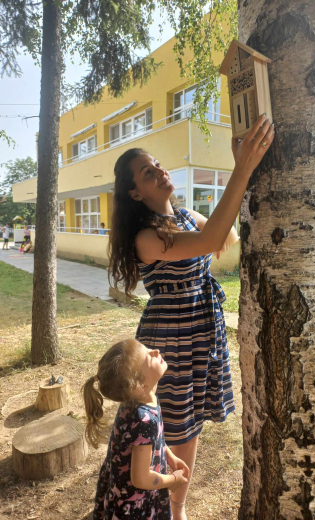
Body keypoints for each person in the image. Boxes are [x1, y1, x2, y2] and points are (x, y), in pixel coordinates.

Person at [109, 114, 274, 519]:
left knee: (192, 423)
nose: (160, 171)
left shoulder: (183, 217)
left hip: (202, 327)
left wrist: (240, 176)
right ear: (134, 192)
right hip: (172, 335)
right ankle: (168, 506)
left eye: (158, 165)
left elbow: (227, 237)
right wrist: (243, 166)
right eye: (149, 172)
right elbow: (212, 239)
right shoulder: (146, 237)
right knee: (175, 426)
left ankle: (177, 506)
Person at [83, 338, 189, 520]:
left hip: (129, 493)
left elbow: (155, 440)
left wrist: (170, 457)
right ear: (140, 386)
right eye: (148, 357)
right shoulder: (143, 420)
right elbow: (140, 478)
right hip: (135, 507)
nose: (155, 351)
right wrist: (172, 481)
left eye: (147, 348)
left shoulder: (138, 400)